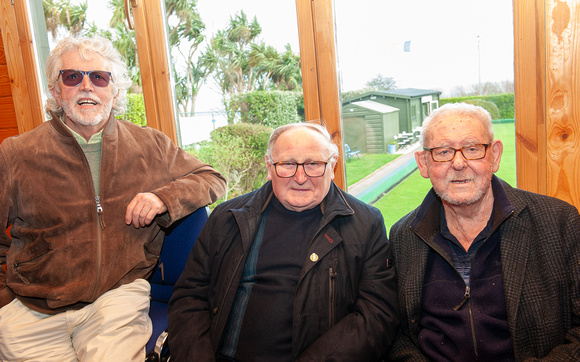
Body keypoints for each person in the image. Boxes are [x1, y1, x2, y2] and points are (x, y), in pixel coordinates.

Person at [0, 36, 226, 361]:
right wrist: (5, 298)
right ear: (55, 90)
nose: (87, 86)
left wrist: (164, 198)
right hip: (33, 303)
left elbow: (212, 179)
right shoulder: (16, 154)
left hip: (117, 297)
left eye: (99, 77)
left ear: (115, 91)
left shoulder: (150, 145)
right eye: (73, 77)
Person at [167, 122, 398, 361]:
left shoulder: (366, 224)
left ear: (332, 167)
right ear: (269, 167)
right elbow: (189, 298)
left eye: (313, 164)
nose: (300, 177)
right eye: (288, 164)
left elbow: (376, 315)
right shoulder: (227, 218)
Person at [386, 102, 580, 361]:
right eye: (443, 152)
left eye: (472, 149)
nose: (458, 163)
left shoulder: (559, 222)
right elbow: (397, 335)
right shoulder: (403, 236)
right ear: (424, 163)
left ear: (495, 155)